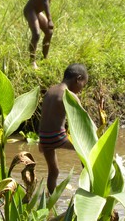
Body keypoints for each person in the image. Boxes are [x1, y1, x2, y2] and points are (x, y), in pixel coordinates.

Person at [39, 63, 88, 194]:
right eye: (83, 84)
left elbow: (45, 117)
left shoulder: (50, 91)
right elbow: (85, 120)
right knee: (85, 152)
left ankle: (51, 199)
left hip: (44, 137)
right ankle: (87, 184)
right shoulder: (68, 95)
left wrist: (40, 141)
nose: (82, 89)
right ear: (78, 79)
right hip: (57, 137)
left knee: (54, 171)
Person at [24, 0, 66, 69]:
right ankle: (32, 61)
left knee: (49, 32)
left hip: (37, 12)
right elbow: (45, 2)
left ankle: (45, 57)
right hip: (31, 10)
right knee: (36, 34)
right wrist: (50, 19)